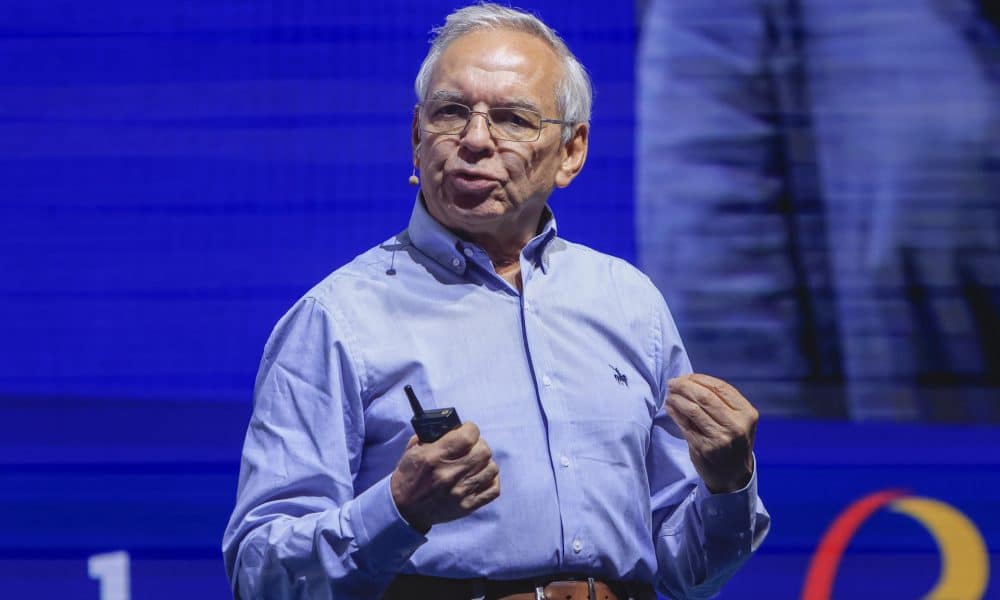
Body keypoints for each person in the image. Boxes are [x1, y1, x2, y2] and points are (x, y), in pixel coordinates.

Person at [223, 4, 769, 599]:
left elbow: (687, 572)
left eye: (512, 119)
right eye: (451, 112)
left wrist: (726, 483)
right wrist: (397, 510)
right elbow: (262, 573)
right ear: (416, 137)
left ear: (571, 152)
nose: (475, 140)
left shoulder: (629, 303)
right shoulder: (337, 320)